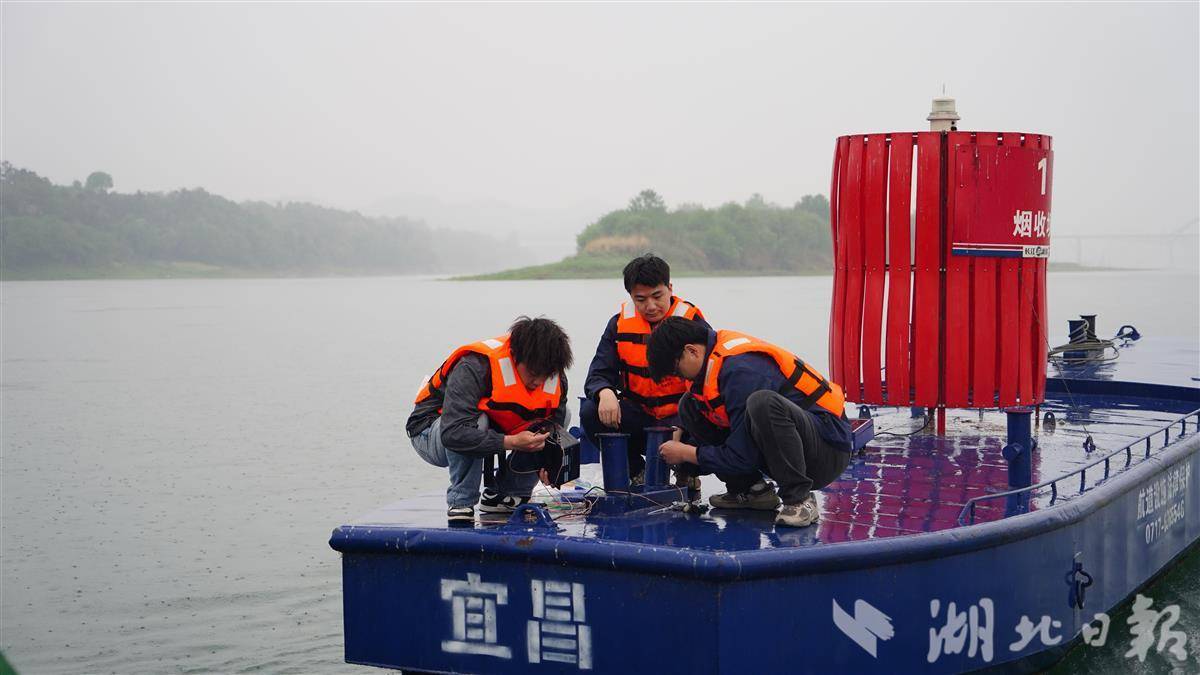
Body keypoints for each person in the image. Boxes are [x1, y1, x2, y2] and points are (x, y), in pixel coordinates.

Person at [645, 317, 853, 527]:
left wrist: (686, 453)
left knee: (763, 403)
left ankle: (799, 500)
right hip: (790, 445)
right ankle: (751, 491)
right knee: (689, 404)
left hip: (827, 451)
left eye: (676, 370)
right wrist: (682, 435)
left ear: (692, 351)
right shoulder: (713, 364)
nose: (679, 378)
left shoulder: (741, 370)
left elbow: (742, 456)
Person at [406, 316, 572, 523]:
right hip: (432, 431)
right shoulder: (474, 366)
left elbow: (553, 430)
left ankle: (506, 495)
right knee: (478, 421)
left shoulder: (555, 375)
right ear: (515, 357)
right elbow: (453, 433)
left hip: (494, 426)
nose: (538, 381)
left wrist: (547, 464)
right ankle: (461, 501)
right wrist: (510, 442)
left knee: (559, 419)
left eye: (546, 375)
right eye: (533, 373)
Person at [580, 254, 711, 484]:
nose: (650, 306)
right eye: (640, 299)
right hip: (641, 419)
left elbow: (710, 380)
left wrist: (680, 424)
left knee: (715, 421)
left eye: (657, 296)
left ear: (670, 288)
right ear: (631, 296)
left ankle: (687, 473)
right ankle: (636, 472)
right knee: (591, 411)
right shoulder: (618, 324)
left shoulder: (693, 324)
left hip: (685, 422)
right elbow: (598, 374)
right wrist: (604, 392)